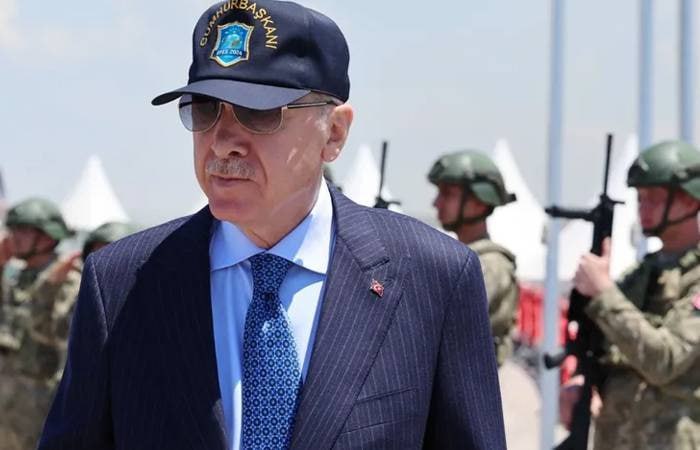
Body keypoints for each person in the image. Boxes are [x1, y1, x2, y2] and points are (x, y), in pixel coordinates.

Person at [39, 1, 506, 449]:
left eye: (257, 112)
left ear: (334, 133)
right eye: (204, 109)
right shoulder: (121, 284)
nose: (222, 142)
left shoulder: (434, 279)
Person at [563, 140, 700, 449]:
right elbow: (605, 350)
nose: (643, 209)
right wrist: (583, 380)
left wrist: (604, 293)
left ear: (691, 201)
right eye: (640, 198)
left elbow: (665, 360)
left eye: (655, 198)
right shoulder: (640, 275)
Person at [0, 198, 81, 450]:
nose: (13, 237)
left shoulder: (67, 278)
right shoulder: (15, 274)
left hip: (40, 403)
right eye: (13, 229)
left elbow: (56, 333)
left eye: (23, 230)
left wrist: (48, 288)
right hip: (9, 400)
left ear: (47, 237)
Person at [428, 150, 519, 366]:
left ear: (479, 202)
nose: (436, 203)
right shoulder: (459, 257)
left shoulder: (491, 264)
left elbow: (444, 318)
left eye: (448, 194)